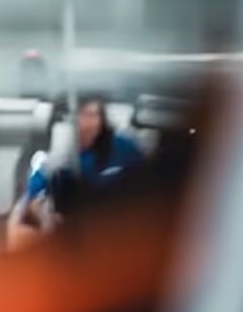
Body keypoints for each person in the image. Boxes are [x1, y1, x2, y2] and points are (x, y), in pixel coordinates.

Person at [9, 96, 144, 243]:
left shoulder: (123, 146)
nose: (87, 124)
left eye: (93, 115)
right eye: (80, 116)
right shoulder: (48, 160)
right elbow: (29, 204)